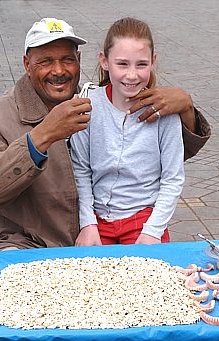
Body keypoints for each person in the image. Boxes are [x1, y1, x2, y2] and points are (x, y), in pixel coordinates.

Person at [0, 17, 210, 253]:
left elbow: (161, 161)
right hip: (26, 242)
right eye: (45, 61)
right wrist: (42, 135)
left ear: (79, 61)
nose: (59, 70)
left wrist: (185, 106)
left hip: (93, 234)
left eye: (67, 60)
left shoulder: (88, 101)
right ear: (26, 64)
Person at [71, 17, 185, 246]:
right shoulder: (88, 106)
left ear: (153, 62)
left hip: (144, 220)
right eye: (122, 64)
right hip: (97, 220)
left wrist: (153, 230)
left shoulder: (165, 112)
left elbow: (173, 178)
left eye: (141, 64)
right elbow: (80, 170)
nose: (132, 75)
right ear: (104, 61)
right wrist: (87, 223)